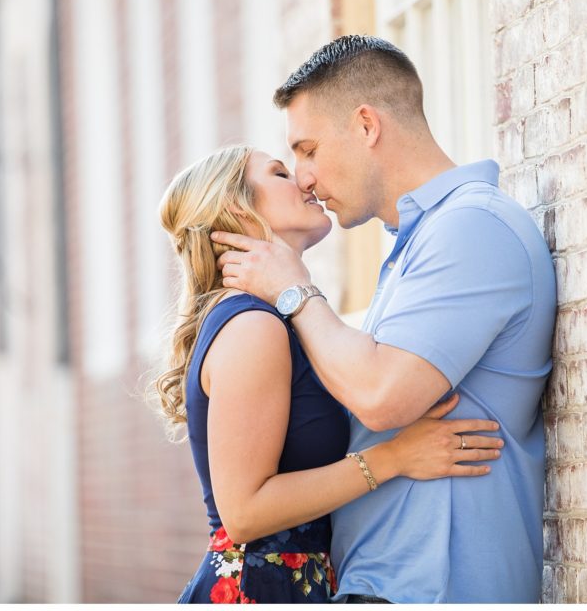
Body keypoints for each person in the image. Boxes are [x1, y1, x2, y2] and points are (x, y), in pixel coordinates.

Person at [212, 35, 557, 603]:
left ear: (367, 125)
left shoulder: (471, 228)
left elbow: (381, 395)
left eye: (309, 149)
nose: (303, 177)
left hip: (437, 588)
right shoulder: (416, 243)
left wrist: (295, 291)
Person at [151, 144, 504, 604]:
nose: (302, 180)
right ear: (238, 207)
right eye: (279, 173)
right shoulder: (253, 326)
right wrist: (394, 458)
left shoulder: (273, 318)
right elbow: (243, 512)